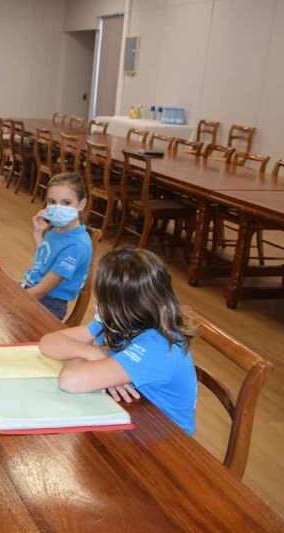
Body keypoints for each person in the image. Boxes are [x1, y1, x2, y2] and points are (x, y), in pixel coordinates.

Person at [38, 247, 197, 435]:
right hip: (133, 418)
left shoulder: (158, 346)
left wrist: (96, 359)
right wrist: (93, 354)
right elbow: (48, 342)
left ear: (118, 305)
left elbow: (70, 380)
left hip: (167, 444)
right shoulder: (124, 322)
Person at [20, 173, 92, 320]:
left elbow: (42, 291)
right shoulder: (57, 229)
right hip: (32, 288)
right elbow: (44, 260)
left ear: (81, 204)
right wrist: (38, 233)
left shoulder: (77, 245)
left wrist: (13, 299)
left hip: (49, 304)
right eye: (52, 202)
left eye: (66, 203)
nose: (58, 208)